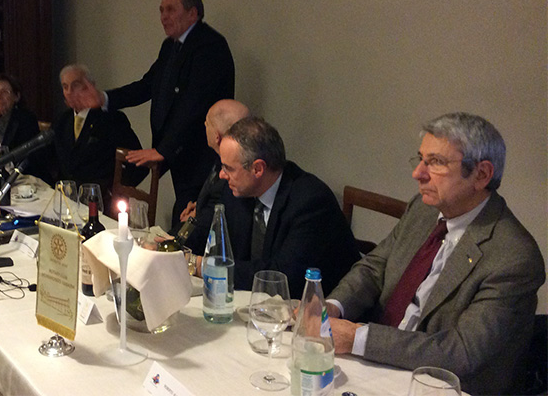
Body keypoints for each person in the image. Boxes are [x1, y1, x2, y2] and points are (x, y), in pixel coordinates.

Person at [326, 113, 545, 395]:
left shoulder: (514, 257)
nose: (418, 173)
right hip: (378, 364)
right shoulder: (424, 208)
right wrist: (332, 306)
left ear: (481, 175)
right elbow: (376, 267)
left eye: (436, 162)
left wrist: (358, 338)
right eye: (421, 159)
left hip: (440, 385)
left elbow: (461, 352)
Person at [82, 0, 235, 224]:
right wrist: (105, 99)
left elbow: (194, 106)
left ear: (193, 13)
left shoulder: (209, 46)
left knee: (191, 220)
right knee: (182, 216)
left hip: (200, 153)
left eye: (171, 10)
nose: (163, 17)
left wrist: (164, 149)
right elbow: (147, 86)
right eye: (161, 10)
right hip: (179, 153)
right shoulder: (171, 46)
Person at [192, 116, 360, 298]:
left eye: (228, 168)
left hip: (318, 307)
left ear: (258, 169)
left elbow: (281, 277)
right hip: (256, 301)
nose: (222, 175)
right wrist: (176, 248)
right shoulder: (239, 188)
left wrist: (202, 266)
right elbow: (207, 228)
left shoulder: (311, 202)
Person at [53, 64, 147, 213]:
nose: (70, 92)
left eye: (75, 85)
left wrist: (114, 191)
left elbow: (140, 165)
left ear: (90, 86)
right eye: (65, 87)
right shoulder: (62, 120)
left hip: (101, 204)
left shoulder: (111, 119)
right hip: (66, 204)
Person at [177, 99, 250, 254]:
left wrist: (171, 244)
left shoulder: (233, 179)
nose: (204, 125)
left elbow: (205, 228)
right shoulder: (218, 161)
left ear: (217, 136)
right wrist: (199, 206)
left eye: (208, 123)